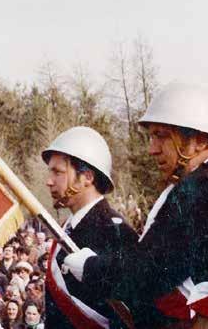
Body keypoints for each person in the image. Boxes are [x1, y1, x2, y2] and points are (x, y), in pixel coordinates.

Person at [64, 85, 208, 328]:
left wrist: (90, 268)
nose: (152, 149)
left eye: (161, 135)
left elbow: (150, 272)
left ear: (199, 140)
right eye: (151, 136)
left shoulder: (206, 186)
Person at [42, 126, 138, 328]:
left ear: (87, 177)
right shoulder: (66, 227)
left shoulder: (117, 232)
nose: (49, 181)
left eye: (58, 172)